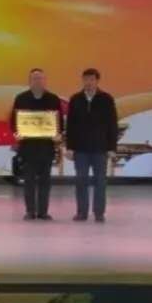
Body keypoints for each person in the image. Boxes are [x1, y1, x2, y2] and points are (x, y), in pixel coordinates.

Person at [65, 68, 119, 223]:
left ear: (97, 81)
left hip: (100, 148)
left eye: (91, 79)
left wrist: (112, 148)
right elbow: (70, 125)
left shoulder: (106, 99)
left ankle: (99, 213)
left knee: (100, 181)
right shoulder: (75, 99)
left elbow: (112, 124)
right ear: (82, 80)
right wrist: (69, 147)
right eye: (86, 79)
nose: (88, 82)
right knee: (81, 180)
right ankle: (81, 212)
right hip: (80, 149)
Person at [10, 68, 64, 221]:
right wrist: (17, 134)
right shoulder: (21, 98)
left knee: (45, 181)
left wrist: (58, 134)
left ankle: (43, 212)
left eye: (40, 78)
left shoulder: (53, 99)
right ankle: (30, 211)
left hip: (46, 147)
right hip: (28, 147)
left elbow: (59, 122)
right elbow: (14, 121)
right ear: (29, 81)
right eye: (34, 78)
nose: (38, 81)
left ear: (45, 81)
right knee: (29, 181)